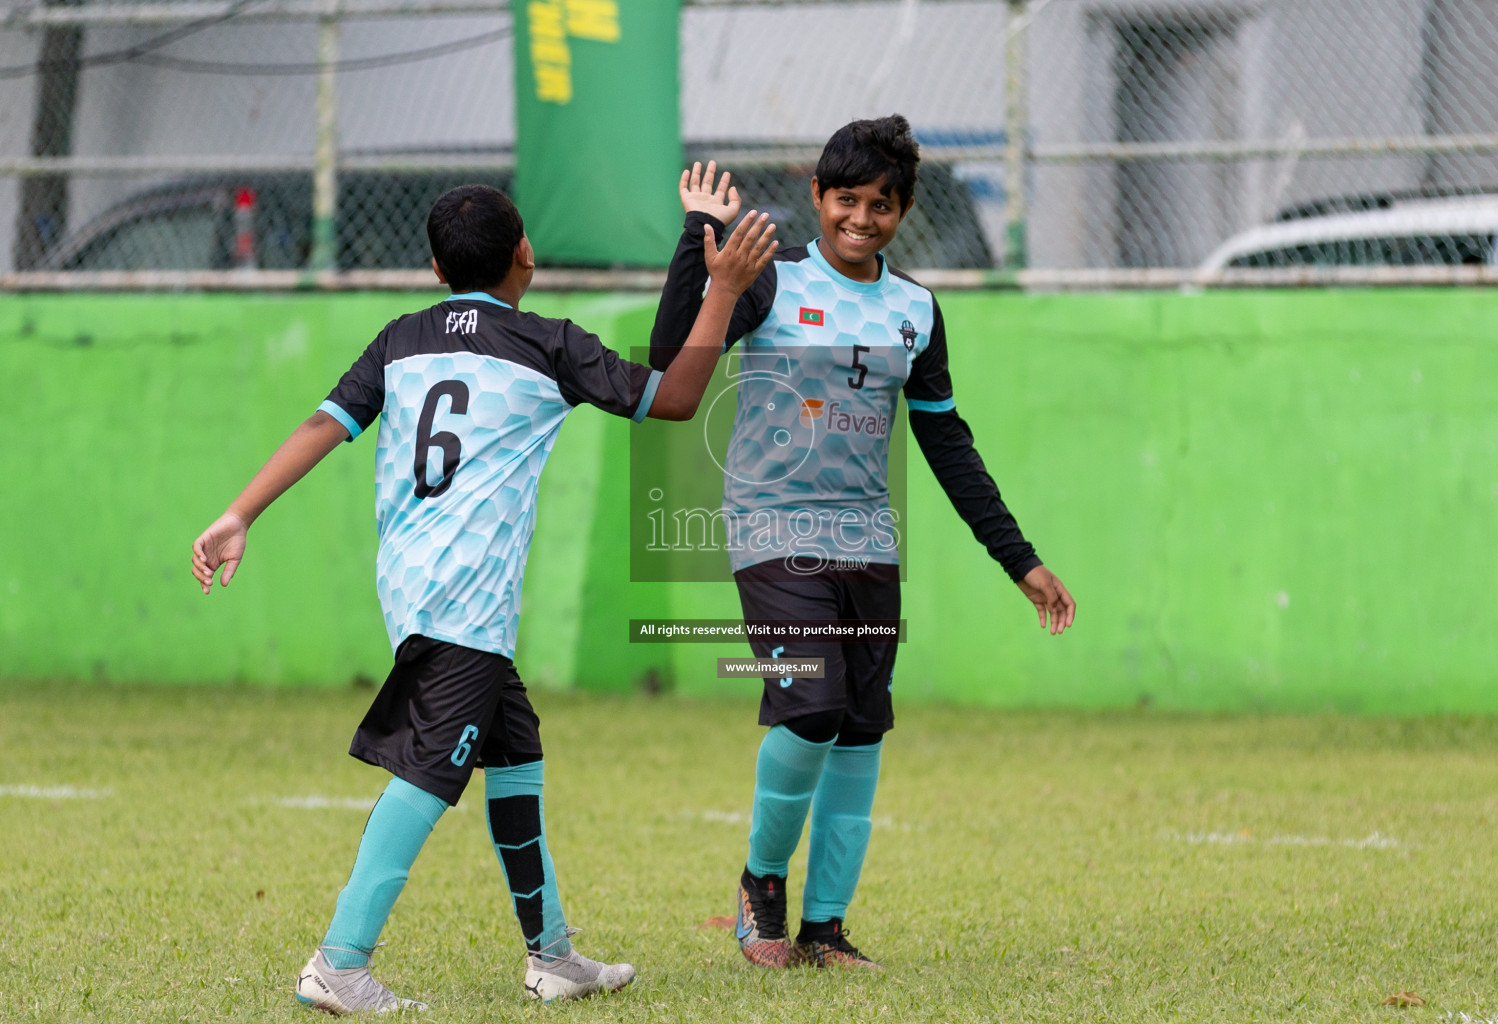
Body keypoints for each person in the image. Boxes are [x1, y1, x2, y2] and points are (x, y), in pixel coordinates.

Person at [191, 184, 776, 1011]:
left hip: (417, 587)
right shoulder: (546, 345)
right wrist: (720, 291)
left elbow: (325, 425)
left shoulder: (399, 341)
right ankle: (339, 963)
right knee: (429, 776)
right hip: (466, 599)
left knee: (518, 757)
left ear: (435, 267)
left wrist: (238, 512)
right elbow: (676, 399)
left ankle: (552, 955)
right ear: (524, 256)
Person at [649, 120, 1076, 971]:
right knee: (810, 705)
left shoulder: (916, 311)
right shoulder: (769, 281)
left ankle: (825, 929)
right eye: (847, 200)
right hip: (771, 530)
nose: (862, 218)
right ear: (818, 196)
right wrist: (696, 254)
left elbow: (947, 446)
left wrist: (1018, 559)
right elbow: (669, 363)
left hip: (867, 542)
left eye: (881, 205)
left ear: (904, 210)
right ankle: (760, 885)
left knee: (860, 728)